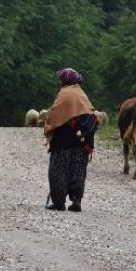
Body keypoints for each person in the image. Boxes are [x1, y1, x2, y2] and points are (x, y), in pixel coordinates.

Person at [43, 68, 96, 212]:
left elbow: (53, 115)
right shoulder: (82, 94)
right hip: (81, 143)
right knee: (78, 170)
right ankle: (76, 200)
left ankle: (59, 202)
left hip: (63, 140)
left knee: (58, 170)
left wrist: (48, 129)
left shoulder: (64, 93)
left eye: (61, 80)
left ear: (65, 81)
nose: (59, 83)